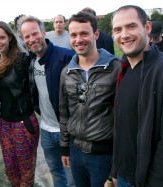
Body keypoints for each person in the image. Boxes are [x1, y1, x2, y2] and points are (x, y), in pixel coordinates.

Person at [59, 11, 120, 187]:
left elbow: (122, 118)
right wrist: (64, 146)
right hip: (75, 151)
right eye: (73, 35)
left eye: (84, 33)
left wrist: (116, 163)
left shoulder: (115, 68)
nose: (78, 39)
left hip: (104, 155)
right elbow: (64, 112)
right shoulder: (67, 72)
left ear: (96, 34)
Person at [111, 5, 163, 186]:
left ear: (147, 28)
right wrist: (115, 171)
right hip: (124, 176)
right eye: (118, 29)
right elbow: (121, 126)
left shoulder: (161, 69)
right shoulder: (123, 69)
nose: (124, 35)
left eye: (131, 26)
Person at [18, 15, 75, 187]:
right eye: (26, 36)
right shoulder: (33, 61)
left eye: (35, 34)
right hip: (46, 130)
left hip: (67, 131)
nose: (32, 39)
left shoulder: (67, 57)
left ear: (44, 32)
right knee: (56, 172)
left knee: (72, 178)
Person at [0, 21, 40, 187]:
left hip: (22, 122)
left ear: (10, 37)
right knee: (10, 168)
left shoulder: (22, 58)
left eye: (1, 37)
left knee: (25, 170)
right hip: (4, 123)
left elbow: (35, 87)